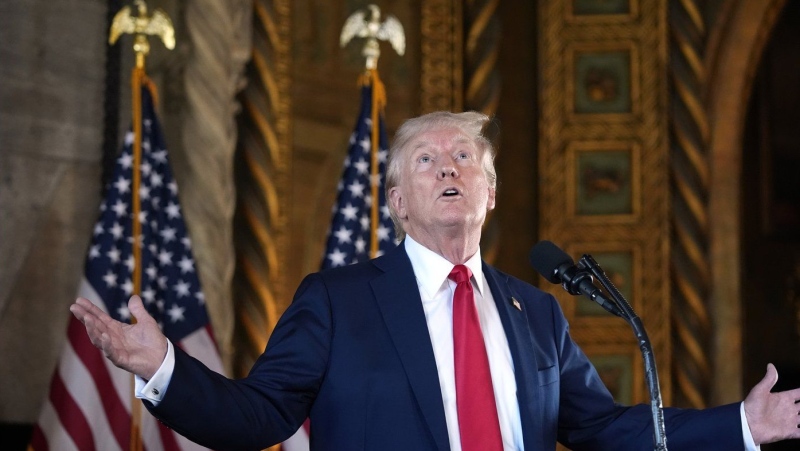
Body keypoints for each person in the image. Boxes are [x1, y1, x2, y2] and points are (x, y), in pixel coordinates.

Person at [71, 111, 800, 451]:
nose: (449, 167)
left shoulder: (536, 311)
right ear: (396, 203)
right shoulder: (337, 300)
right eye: (426, 159)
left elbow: (605, 428)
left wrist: (743, 422)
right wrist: (162, 366)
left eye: (465, 158)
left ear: (489, 193)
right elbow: (257, 414)